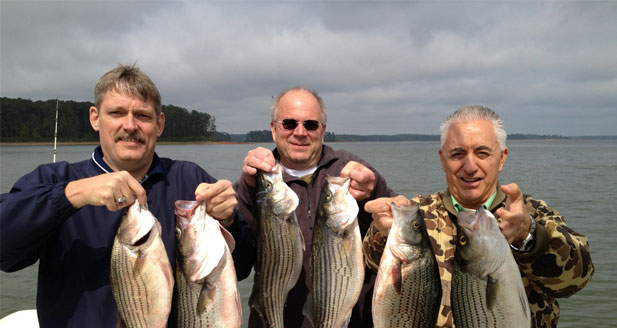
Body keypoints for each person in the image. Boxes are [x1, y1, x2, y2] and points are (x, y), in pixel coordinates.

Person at [0, 64, 242, 327]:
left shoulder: (190, 180)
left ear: (159, 124)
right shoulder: (55, 180)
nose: (130, 125)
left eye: (143, 115)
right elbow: (6, 253)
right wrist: (73, 194)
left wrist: (229, 219)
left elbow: (244, 263)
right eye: (116, 113)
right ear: (95, 118)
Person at [363, 105, 594, 328]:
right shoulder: (417, 212)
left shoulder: (530, 213)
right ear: (442, 159)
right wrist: (383, 233)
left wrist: (529, 235)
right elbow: (371, 262)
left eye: (482, 152)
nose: (470, 166)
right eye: (458, 154)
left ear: (501, 158)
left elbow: (577, 279)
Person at [234, 86, 397, 327]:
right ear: (273, 128)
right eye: (289, 123)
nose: (300, 132)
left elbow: (398, 226)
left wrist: (375, 190)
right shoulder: (255, 181)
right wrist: (247, 192)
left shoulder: (348, 168)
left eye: (310, 125)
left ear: (322, 130)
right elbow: (238, 265)